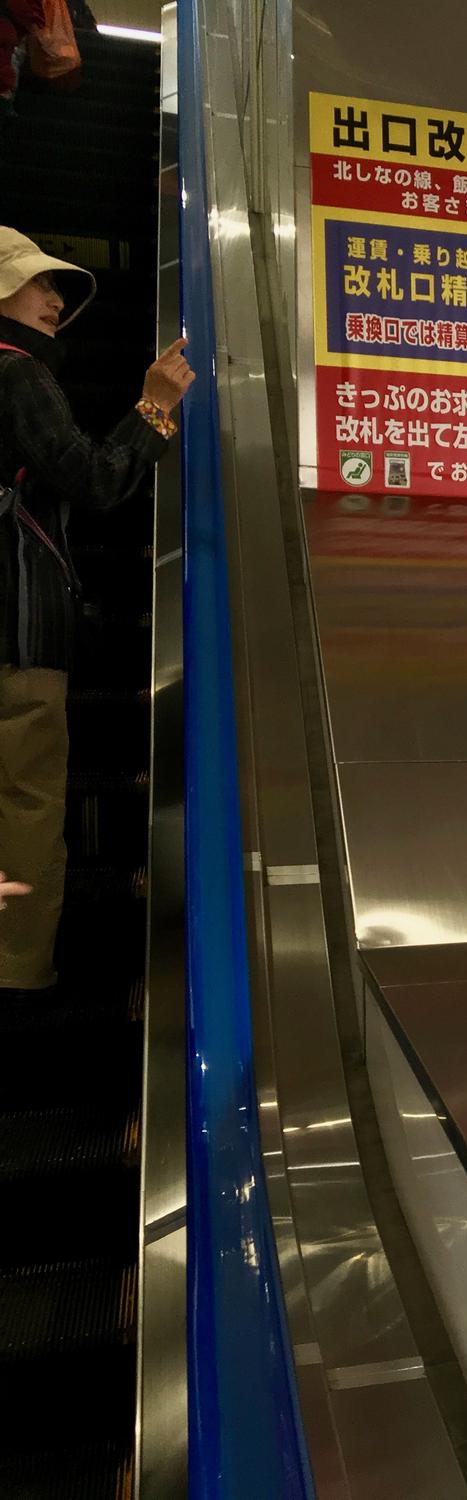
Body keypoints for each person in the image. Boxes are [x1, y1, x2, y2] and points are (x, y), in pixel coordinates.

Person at [0, 226, 194, 993]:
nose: (53, 298)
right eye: (37, 282)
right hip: (17, 630)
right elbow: (97, 480)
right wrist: (154, 408)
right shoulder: (17, 375)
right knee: (26, 803)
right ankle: (17, 973)